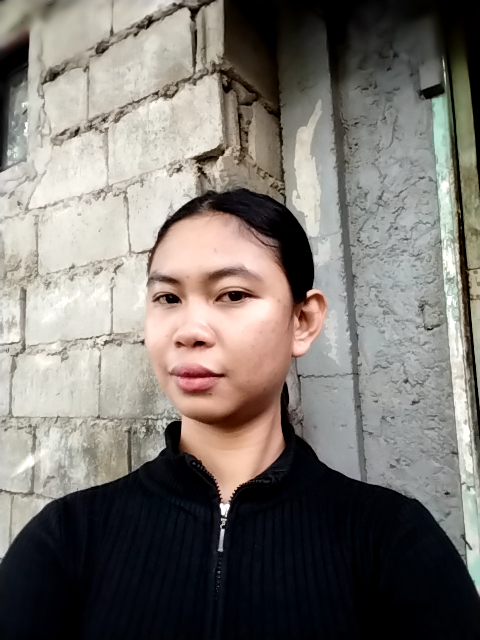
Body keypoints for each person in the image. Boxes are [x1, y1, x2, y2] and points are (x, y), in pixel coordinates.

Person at [0, 188, 479, 640]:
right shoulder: (68, 538)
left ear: (302, 321)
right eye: (168, 298)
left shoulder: (390, 540)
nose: (189, 331)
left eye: (232, 295)